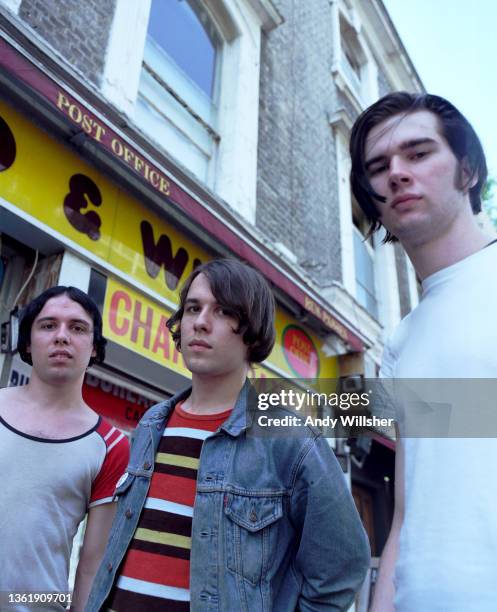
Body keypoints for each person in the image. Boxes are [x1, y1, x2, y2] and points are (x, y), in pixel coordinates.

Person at [87, 258, 370, 611]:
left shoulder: (289, 440)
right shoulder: (150, 425)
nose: (200, 323)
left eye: (222, 311)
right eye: (193, 308)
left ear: (252, 330)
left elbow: (343, 567)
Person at [349, 92, 497, 611]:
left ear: (469, 169)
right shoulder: (401, 341)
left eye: (418, 154)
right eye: (379, 166)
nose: (396, 173)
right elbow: (408, 514)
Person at [0, 286, 129, 611]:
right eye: (48, 325)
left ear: (95, 348)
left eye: (77, 327)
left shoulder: (112, 446)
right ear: (28, 343)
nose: (61, 337)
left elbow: (93, 563)